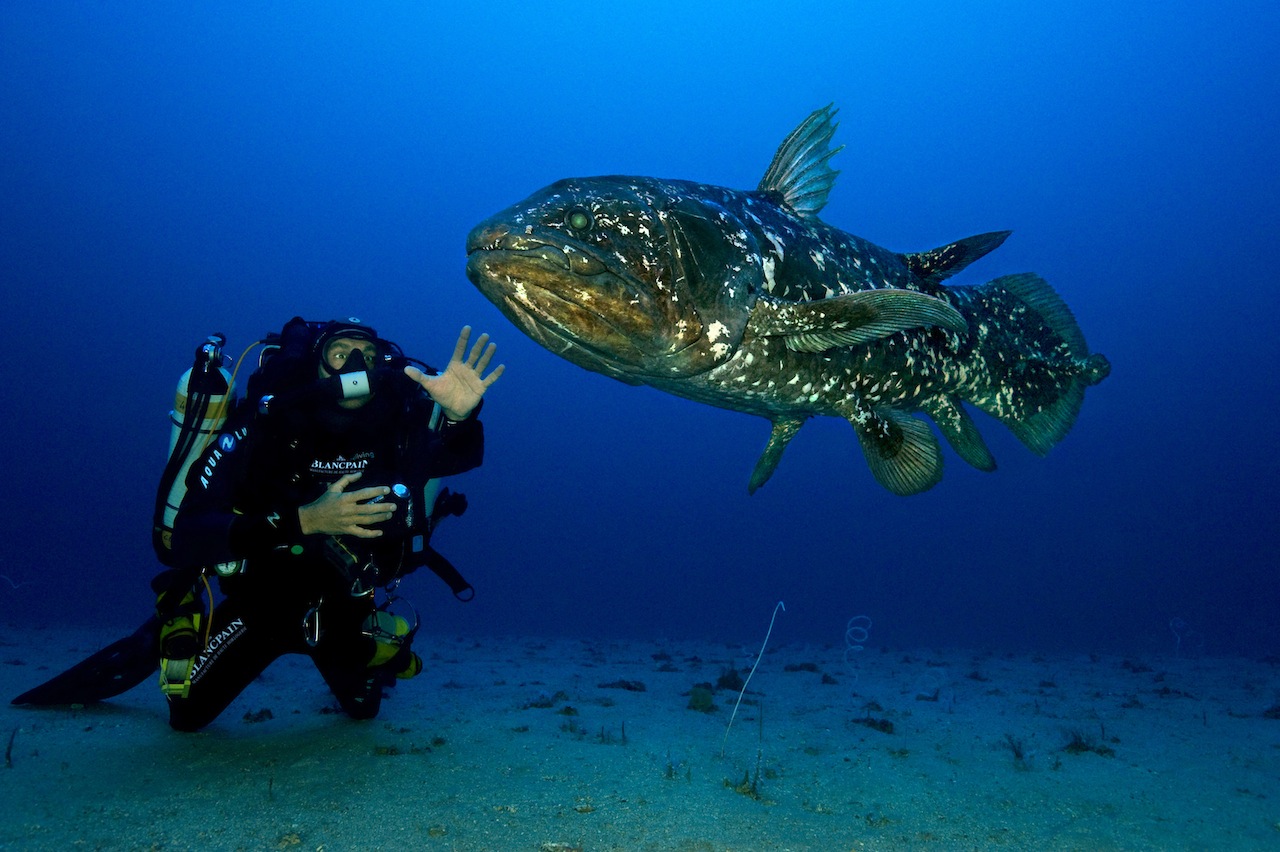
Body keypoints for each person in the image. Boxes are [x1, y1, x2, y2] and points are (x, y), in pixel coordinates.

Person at [155, 318, 503, 732]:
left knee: (364, 710)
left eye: (368, 356)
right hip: (261, 603)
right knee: (186, 716)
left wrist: (459, 418)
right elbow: (189, 535)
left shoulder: (395, 425)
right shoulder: (266, 421)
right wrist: (304, 520)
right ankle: (185, 613)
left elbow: (450, 458)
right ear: (315, 365)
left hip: (344, 608)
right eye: (340, 354)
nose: (355, 364)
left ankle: (370, 649)